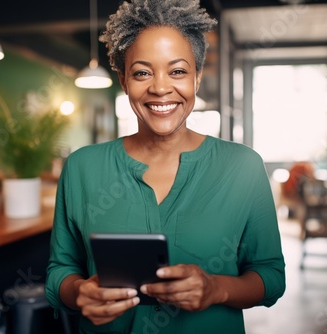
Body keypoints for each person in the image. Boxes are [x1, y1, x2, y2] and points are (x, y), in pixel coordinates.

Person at [45, 1, 285, 333]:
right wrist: (78, 292)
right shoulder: (81, 168)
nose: (160, 87)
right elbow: (61, 270)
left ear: (197, 78)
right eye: (142, 72)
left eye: (178, 71)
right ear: (124, 80)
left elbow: (270, 276)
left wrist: (216, 288)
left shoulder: (242, 167)